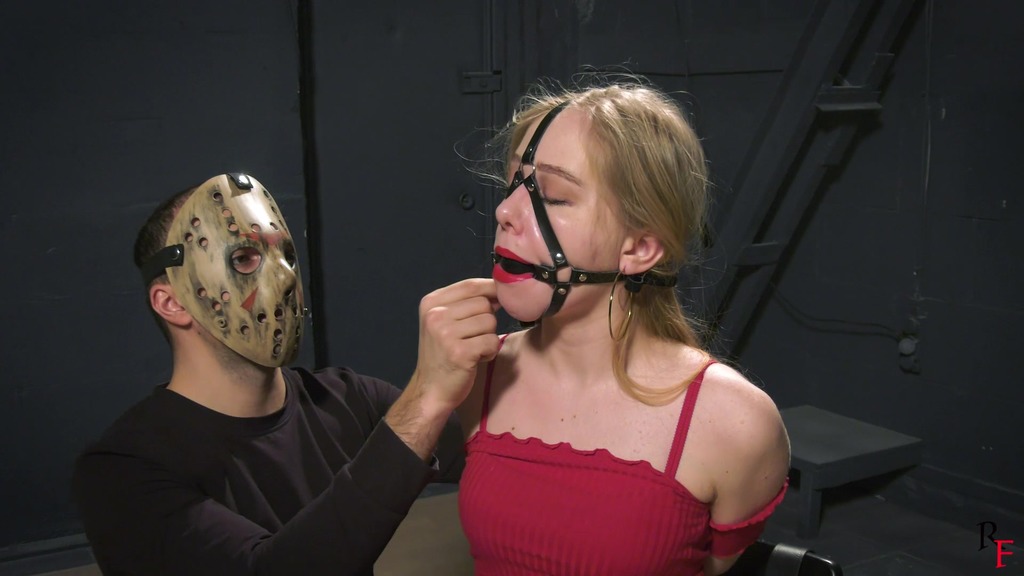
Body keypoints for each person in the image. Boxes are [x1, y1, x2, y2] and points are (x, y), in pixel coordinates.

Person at [72, 173, 500, 576]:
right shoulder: (124, 471)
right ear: (173, 303)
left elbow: (497, 451)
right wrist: (425, 398)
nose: (284, 279)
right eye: (243, 259)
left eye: (287, 256)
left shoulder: (346, 399)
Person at [456, 81, 791, 575]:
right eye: (513, 186)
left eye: (554, 197)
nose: (505, 212)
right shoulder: (476, 373)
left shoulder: (735, 423)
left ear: (639, 249)